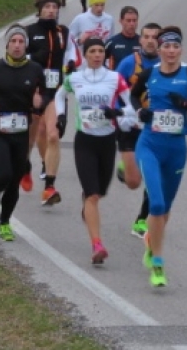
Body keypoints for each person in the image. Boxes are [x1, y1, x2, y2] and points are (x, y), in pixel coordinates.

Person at [130, 26, 187, 287]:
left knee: (165, 209)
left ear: (181, 49)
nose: (170, 51)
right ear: (160, 49)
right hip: (150, 146)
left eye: (175, 46)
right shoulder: (150, 73)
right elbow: (133, 95)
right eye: (166, 46)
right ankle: (157, 263)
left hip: (176, 149)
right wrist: (140, 111)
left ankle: (151, 242)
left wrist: (186, 104)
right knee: (155, 205)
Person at [55, 38, 136, 265]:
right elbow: (60, 95)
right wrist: (61, 115)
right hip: (85, 142)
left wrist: (116, 114)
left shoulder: (115, 78)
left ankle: (88, 205)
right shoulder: (75, 78)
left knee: (99, 193)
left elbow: (131, 109)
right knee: (92, 195)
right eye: (92, 51)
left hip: (107, 141)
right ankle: (97, 245)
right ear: (86, 54)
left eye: (101, 51)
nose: (97, 55)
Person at [0, 24, 46, 241]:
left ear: (26, 46)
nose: (17, 45)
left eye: (21, 42)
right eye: (13, 41)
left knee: (14, 180)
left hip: (21, 132)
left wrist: (40, 103)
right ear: (7, 44)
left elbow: (47, 93)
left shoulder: (34, 70)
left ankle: (4, 222)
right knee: (3, 174)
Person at [26, 0, 80, 203]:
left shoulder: (63, 33)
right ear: (39, 9)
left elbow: (73, 54)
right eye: (47, 6)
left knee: (53, 135)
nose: (51, 10)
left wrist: (73, 65)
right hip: (34, 91)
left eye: (54, 7)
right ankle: (32, 165)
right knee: (35, 133)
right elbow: (19, 56)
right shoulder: (30, 31)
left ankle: (49, 187)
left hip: (56, 90)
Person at [114, 22, 161, 238]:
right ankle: (126, 168)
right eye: (147, 36)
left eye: (155, 37)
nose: (151, 40)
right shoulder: (128, 63)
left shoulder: (168, 65)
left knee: (154, 176)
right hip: (131, 127)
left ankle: (141, 220)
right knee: (134, 182)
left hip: (156, 129)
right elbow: (112, 91)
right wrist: (120, 115)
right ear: (140, 40)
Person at [105, 6, 140, 70]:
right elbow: (99, 60)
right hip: (118, 78)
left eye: (134, 21)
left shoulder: (142, 42)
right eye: (128, 21)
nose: (132, 24)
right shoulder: (112, 42)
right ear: (121, 21)